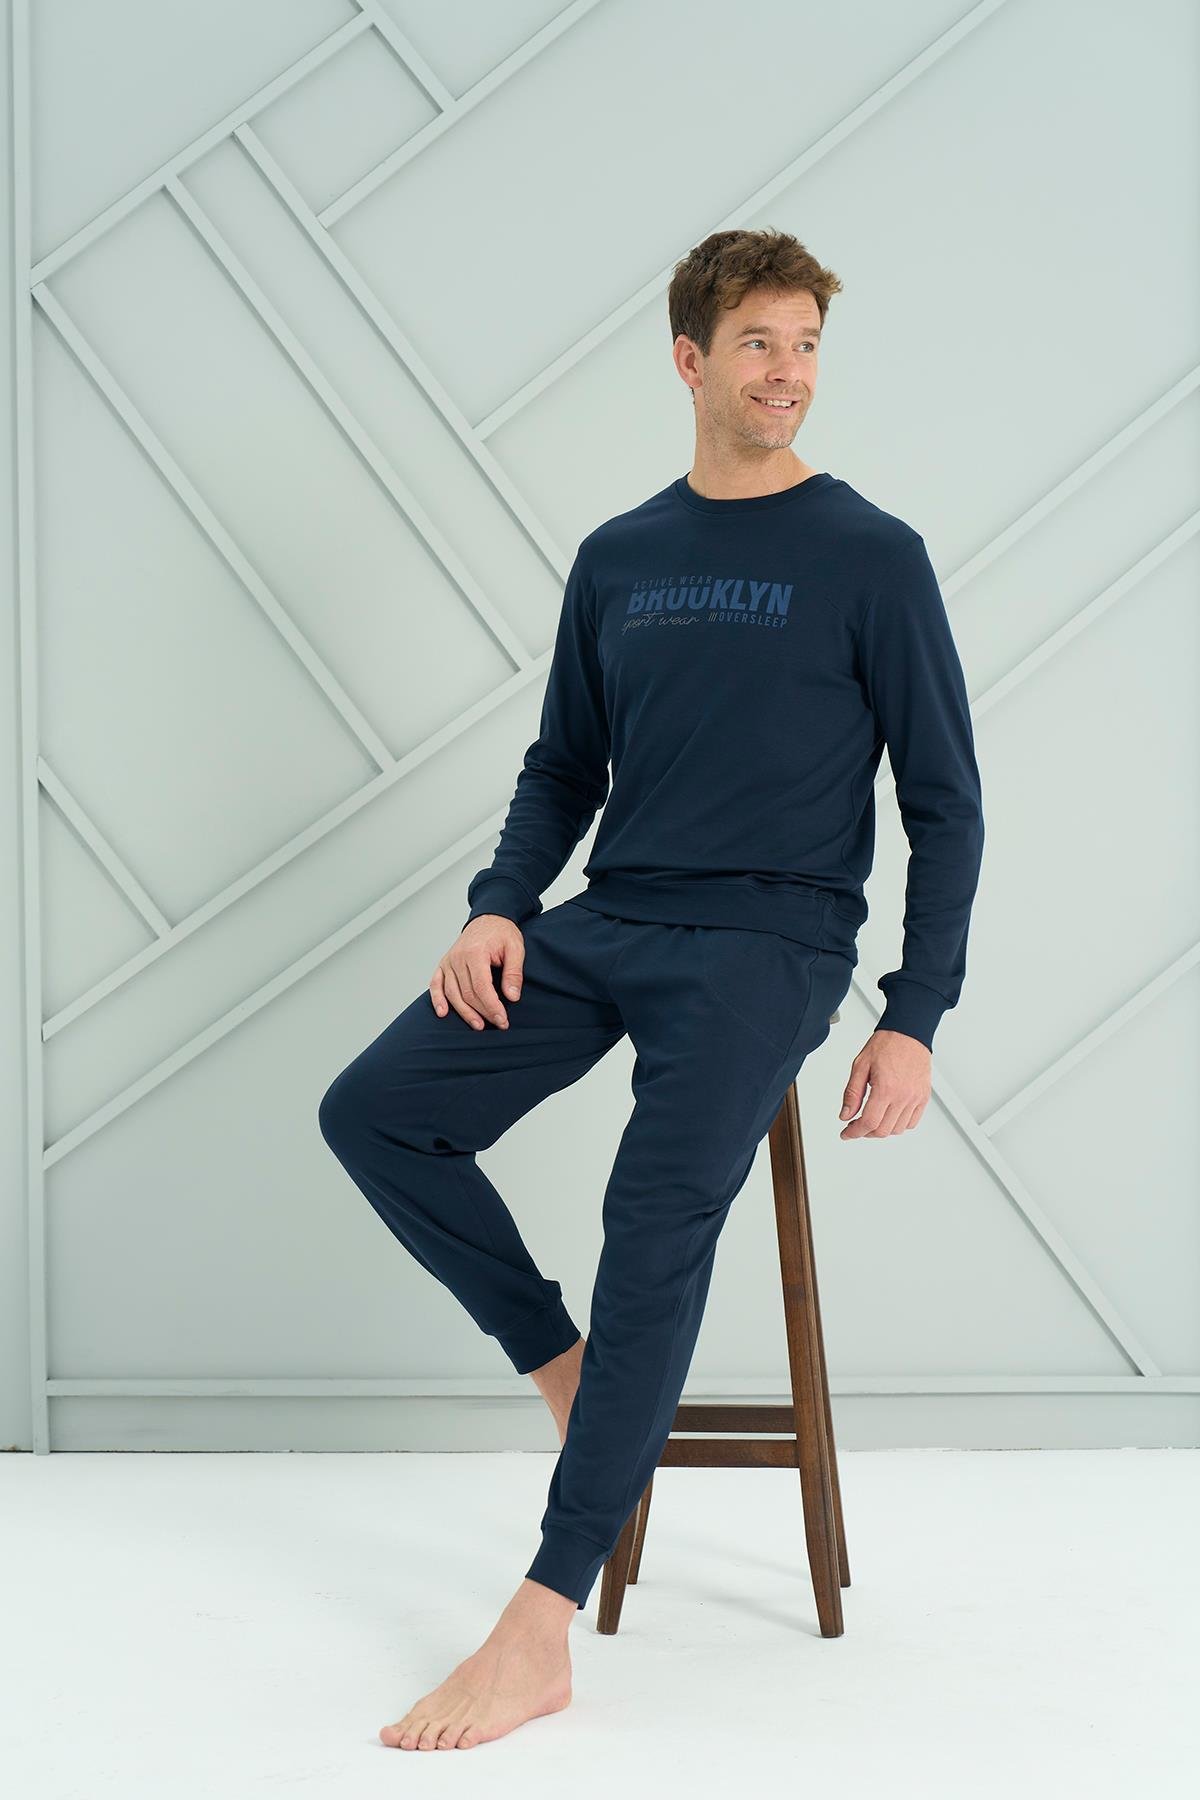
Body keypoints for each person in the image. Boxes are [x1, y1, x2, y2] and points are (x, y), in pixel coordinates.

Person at [317, 227, 985, 1751]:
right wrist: (499, 908)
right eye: (759, 344)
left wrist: (913, 1014)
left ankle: (539, 1628)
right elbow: (564, 766)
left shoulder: (873, 555)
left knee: (651, 1219)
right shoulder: (621, 556)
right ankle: (563, 1363)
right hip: (613, 917)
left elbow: (946, 801)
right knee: (376, 1112)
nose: (788, 374)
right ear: (690, 360)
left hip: (773, 942)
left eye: (806, 345)